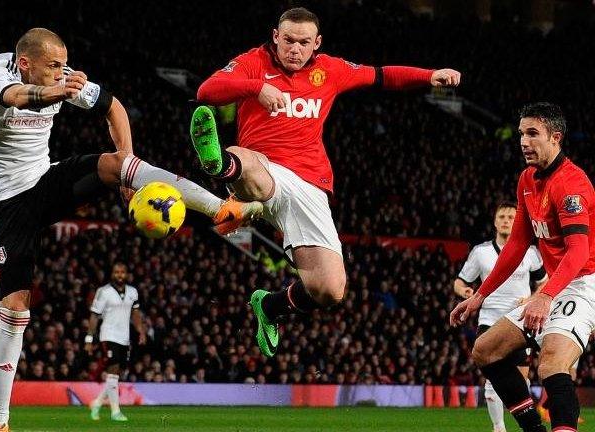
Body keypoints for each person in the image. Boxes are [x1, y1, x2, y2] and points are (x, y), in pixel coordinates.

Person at [0, 28, 261, 432]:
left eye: (63, 65)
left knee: (115, 163)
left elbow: (115, 109)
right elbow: (18, 98)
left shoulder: (63, 78)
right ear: (25, 63)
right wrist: (62, 91)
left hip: (43, 182)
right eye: (53, 66)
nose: (61, 73)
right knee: (15, 308)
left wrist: (127, 169)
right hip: (3, 202)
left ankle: (221, 208)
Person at [190, 7, 461, 356]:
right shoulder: (254, 62)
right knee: (243, 160)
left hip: (309, 185)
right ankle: (219, 165)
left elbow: (381, 76)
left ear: (316, 43)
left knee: (329, 289)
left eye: (303, 43)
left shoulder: (329, 70)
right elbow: (207, 90)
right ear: (276, 37)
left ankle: (270, 306)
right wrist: (256, 88)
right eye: (288, 40)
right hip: (263, 169)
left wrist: (429, 76)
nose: (294, 49)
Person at [451, 102, 595, 432]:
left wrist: (544, 297)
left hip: (584, 282)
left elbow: (578, 252)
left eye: (533, 134)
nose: (523, 142)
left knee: (552, 365)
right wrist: (479, 297)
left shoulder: (571, 184)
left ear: (555, 137)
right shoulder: (527, 179)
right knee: (485, 351)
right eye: (521, 134)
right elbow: (516, 244)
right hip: (556, 285)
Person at [454, 202, 548, 432]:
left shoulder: (530, 251)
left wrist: (533, 299)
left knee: (522, 379)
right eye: (502, 216)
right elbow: (460, 281)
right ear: (495, 221)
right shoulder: (481, 252)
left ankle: (526, 425)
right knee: (492, 375)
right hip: (489, 318)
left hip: (520, 321)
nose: (506, 220)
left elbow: (543, 282)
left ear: (517, 221)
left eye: (510, 217)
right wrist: (466, 292)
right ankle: (498, 428)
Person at [85, 263, 145, 422]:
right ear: (112, 274)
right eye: (117, 272)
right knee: (113, 370)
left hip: (124, 337)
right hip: (108, 335)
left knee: (116, 374)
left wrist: (141, 330)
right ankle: (115, 412)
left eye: (122, 271)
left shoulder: (133, 292)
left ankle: (97, 403)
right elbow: (94, 316)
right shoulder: (103, 292)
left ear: (126, 274)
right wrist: (89, 338)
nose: (120, 274)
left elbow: (136, 312)